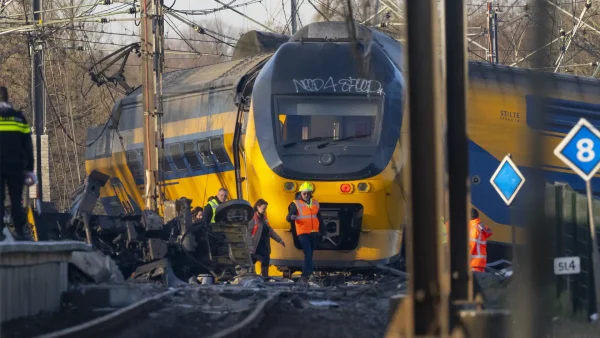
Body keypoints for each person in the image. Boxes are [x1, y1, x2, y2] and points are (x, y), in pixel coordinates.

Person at [0, 86, 35, 241]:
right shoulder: (19, 118)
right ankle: (20, 230)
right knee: (16, 198)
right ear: (7, 99)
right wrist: (29, 169)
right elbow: (28, 145)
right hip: (15, 166)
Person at [286, 182, 324, 282]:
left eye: (308, 193)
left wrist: (324, 231)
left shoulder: (315, 203)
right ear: (300, 194)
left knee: (310, 253)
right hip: (302, 232)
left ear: (311, 193)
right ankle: (306, 274)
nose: (306, 195)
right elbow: (288, 217)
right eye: (304, 193)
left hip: (313, 232)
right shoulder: (296, 203)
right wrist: (292, 217)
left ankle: (307, 274)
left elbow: (319, 217)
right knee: (308, 252)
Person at [249, 199, 285, 278]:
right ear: (258, 207)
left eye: (265, 209)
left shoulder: (264, 218)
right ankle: (252, 276)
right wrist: (249, 245)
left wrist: (279, 240)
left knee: (265, 259)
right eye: (263, 208)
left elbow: (270, 230)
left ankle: (264, 276)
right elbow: (247, 232)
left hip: (264, 244)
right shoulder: (253, 218)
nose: (264, 210)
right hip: (255, 245)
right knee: (253, 261)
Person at [469, 208, 492, 272]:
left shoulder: (473, 228)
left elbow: (471, 245)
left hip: (473, 262)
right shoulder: (479, 226)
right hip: (480, 262)